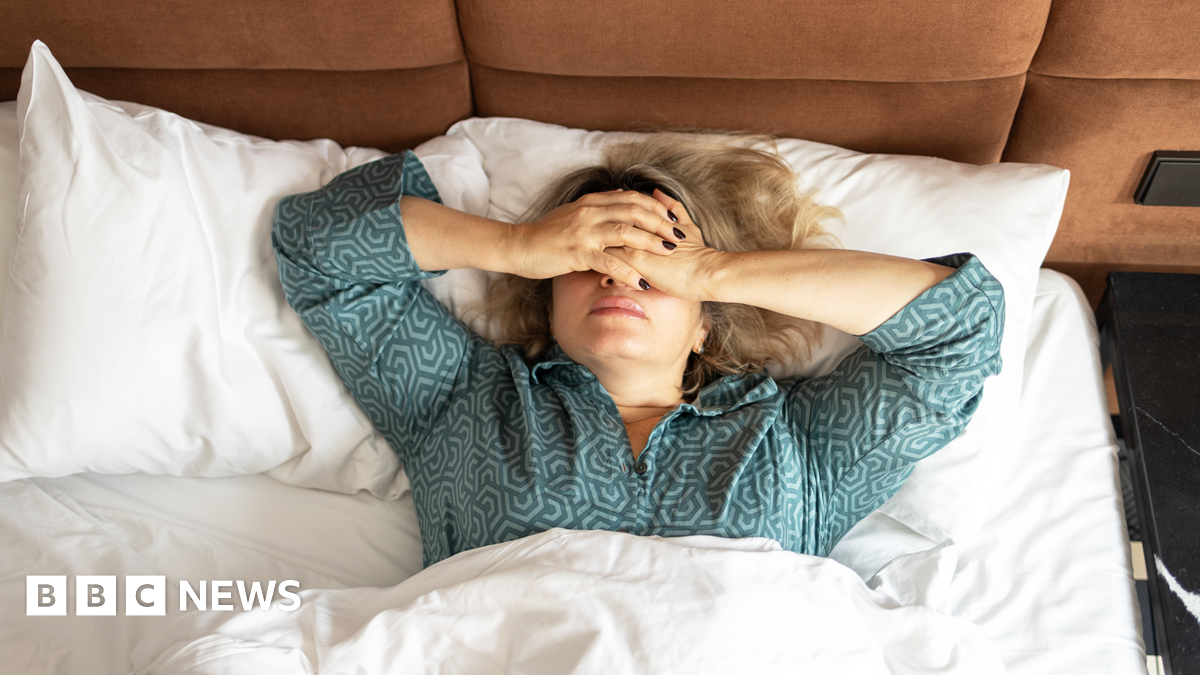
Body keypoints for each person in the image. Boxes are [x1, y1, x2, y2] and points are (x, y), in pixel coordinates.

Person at [272, 134, 1004, 568]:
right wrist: (517, 244)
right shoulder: (461, 399)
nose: (620, 273)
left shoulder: (798, 447)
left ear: (704, 324)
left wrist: (712, 268)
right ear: (547, 296)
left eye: (654, 258)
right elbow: (316, 244)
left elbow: (959, 328)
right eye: (588, 255)